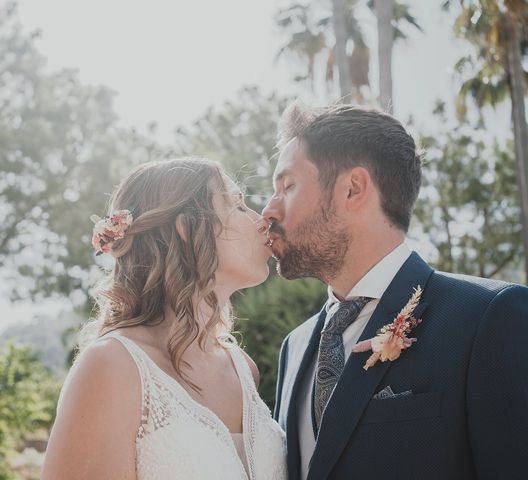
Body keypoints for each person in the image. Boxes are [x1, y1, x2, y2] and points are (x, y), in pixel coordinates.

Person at [264, 102, 528, 480]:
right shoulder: (294, 346)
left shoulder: (488, 318)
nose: (268, 211)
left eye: (287, 186)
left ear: (353, 189)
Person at [42, 158, 287, 480]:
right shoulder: (112, 366)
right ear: (186, 228)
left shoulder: (242, 368)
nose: (261, 220)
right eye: (238, 206)